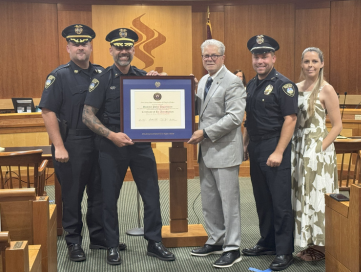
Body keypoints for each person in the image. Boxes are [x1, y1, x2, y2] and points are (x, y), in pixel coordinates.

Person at [82, 28, 175, 265]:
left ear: (134, 50)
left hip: (141, 146)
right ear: (111, 50)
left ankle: (154, 242)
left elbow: (159, 104)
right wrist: (112, 136)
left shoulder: (143, 76)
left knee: (152, 195)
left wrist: (161, 85)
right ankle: (112, 245)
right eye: (119, 47)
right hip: (111, 146)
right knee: (109, 197)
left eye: (128, 47)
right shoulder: (102, 79)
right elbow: (88, 116)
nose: (123, 51)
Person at [39, 24, 110, 262]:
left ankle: (99, 237)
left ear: (91, 46)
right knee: (72, 195)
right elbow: (48, 112)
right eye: (76, 43)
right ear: (68, 47)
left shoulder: (101, 73)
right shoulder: (59, 76)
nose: (81, 47)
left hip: (99, 142)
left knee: (99, 192)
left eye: (85, 43)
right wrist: (58, 146)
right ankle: (74, 242)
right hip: (72, 143)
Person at [188, 39, 246, 268]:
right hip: (206, 151)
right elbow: (201, 110)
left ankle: (233, 247)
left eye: (213, 55)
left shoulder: (233, 82)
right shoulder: (203, 80)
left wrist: (205, 133)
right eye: (206, 56)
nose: (209, 59)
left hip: (224, 150)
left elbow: (234, 118)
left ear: (223, 57)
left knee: (229, 202)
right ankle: (215, 239)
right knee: (210, 199)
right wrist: (190, 91)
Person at [242, 35, 297, 271]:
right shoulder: (252, 84)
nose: (260, 60)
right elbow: (249, 120)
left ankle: (285, 251)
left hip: (275, 146)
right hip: (255, 146)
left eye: (264, 56)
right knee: (262, 199)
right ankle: (267, 242)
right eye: (256, 56)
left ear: (273, 57)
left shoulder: (284, 85)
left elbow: (290, 119)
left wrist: (279, 151)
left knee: (280, 201)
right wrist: (244, 145)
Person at [291, 47, 342, 261]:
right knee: (300, 193)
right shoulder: (294, 88)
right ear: (301, 64)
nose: (310, 65)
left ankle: (321, 248)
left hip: (318, 148)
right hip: (297, 145)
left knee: (316, 194)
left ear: (321, 64)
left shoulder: (326, 89)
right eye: (306, 61)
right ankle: (306, 242)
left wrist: (319, 149)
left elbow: (338, 125)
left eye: (314, 61)